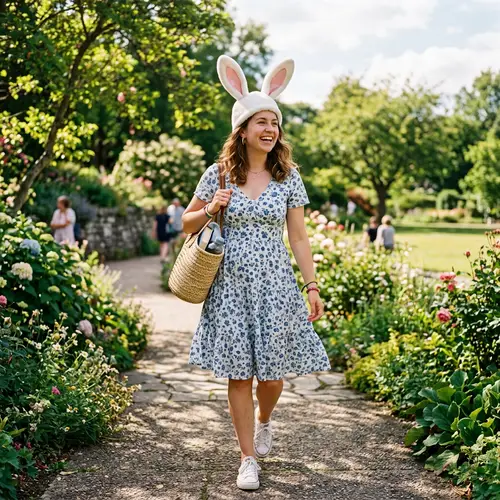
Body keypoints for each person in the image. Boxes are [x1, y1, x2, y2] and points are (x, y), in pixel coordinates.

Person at [182, 55, 331, 491]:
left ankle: (265, 419)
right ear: (242, 130)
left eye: (275, 122)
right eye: (260, 122)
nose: (270, 129)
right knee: (239, 374)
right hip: (228, 286)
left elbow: (299, 237)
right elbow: (186, 223)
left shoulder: (289, 178)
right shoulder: (220, 173)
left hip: (275, 285)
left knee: (272, 375)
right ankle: (247, 457)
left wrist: (312, 285)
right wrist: (212, 207)